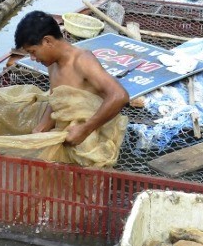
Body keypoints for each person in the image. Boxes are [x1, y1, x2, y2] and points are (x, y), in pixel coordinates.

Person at [14, 11, 129, 146]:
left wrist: (85, 129)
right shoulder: (52, 63)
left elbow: (120, 96)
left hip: (92, 135)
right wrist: (41, 129)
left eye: (32, 52)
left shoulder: (82, 60)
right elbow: (56, 101)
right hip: (67, 131)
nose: (33, 58)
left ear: (47, 41)